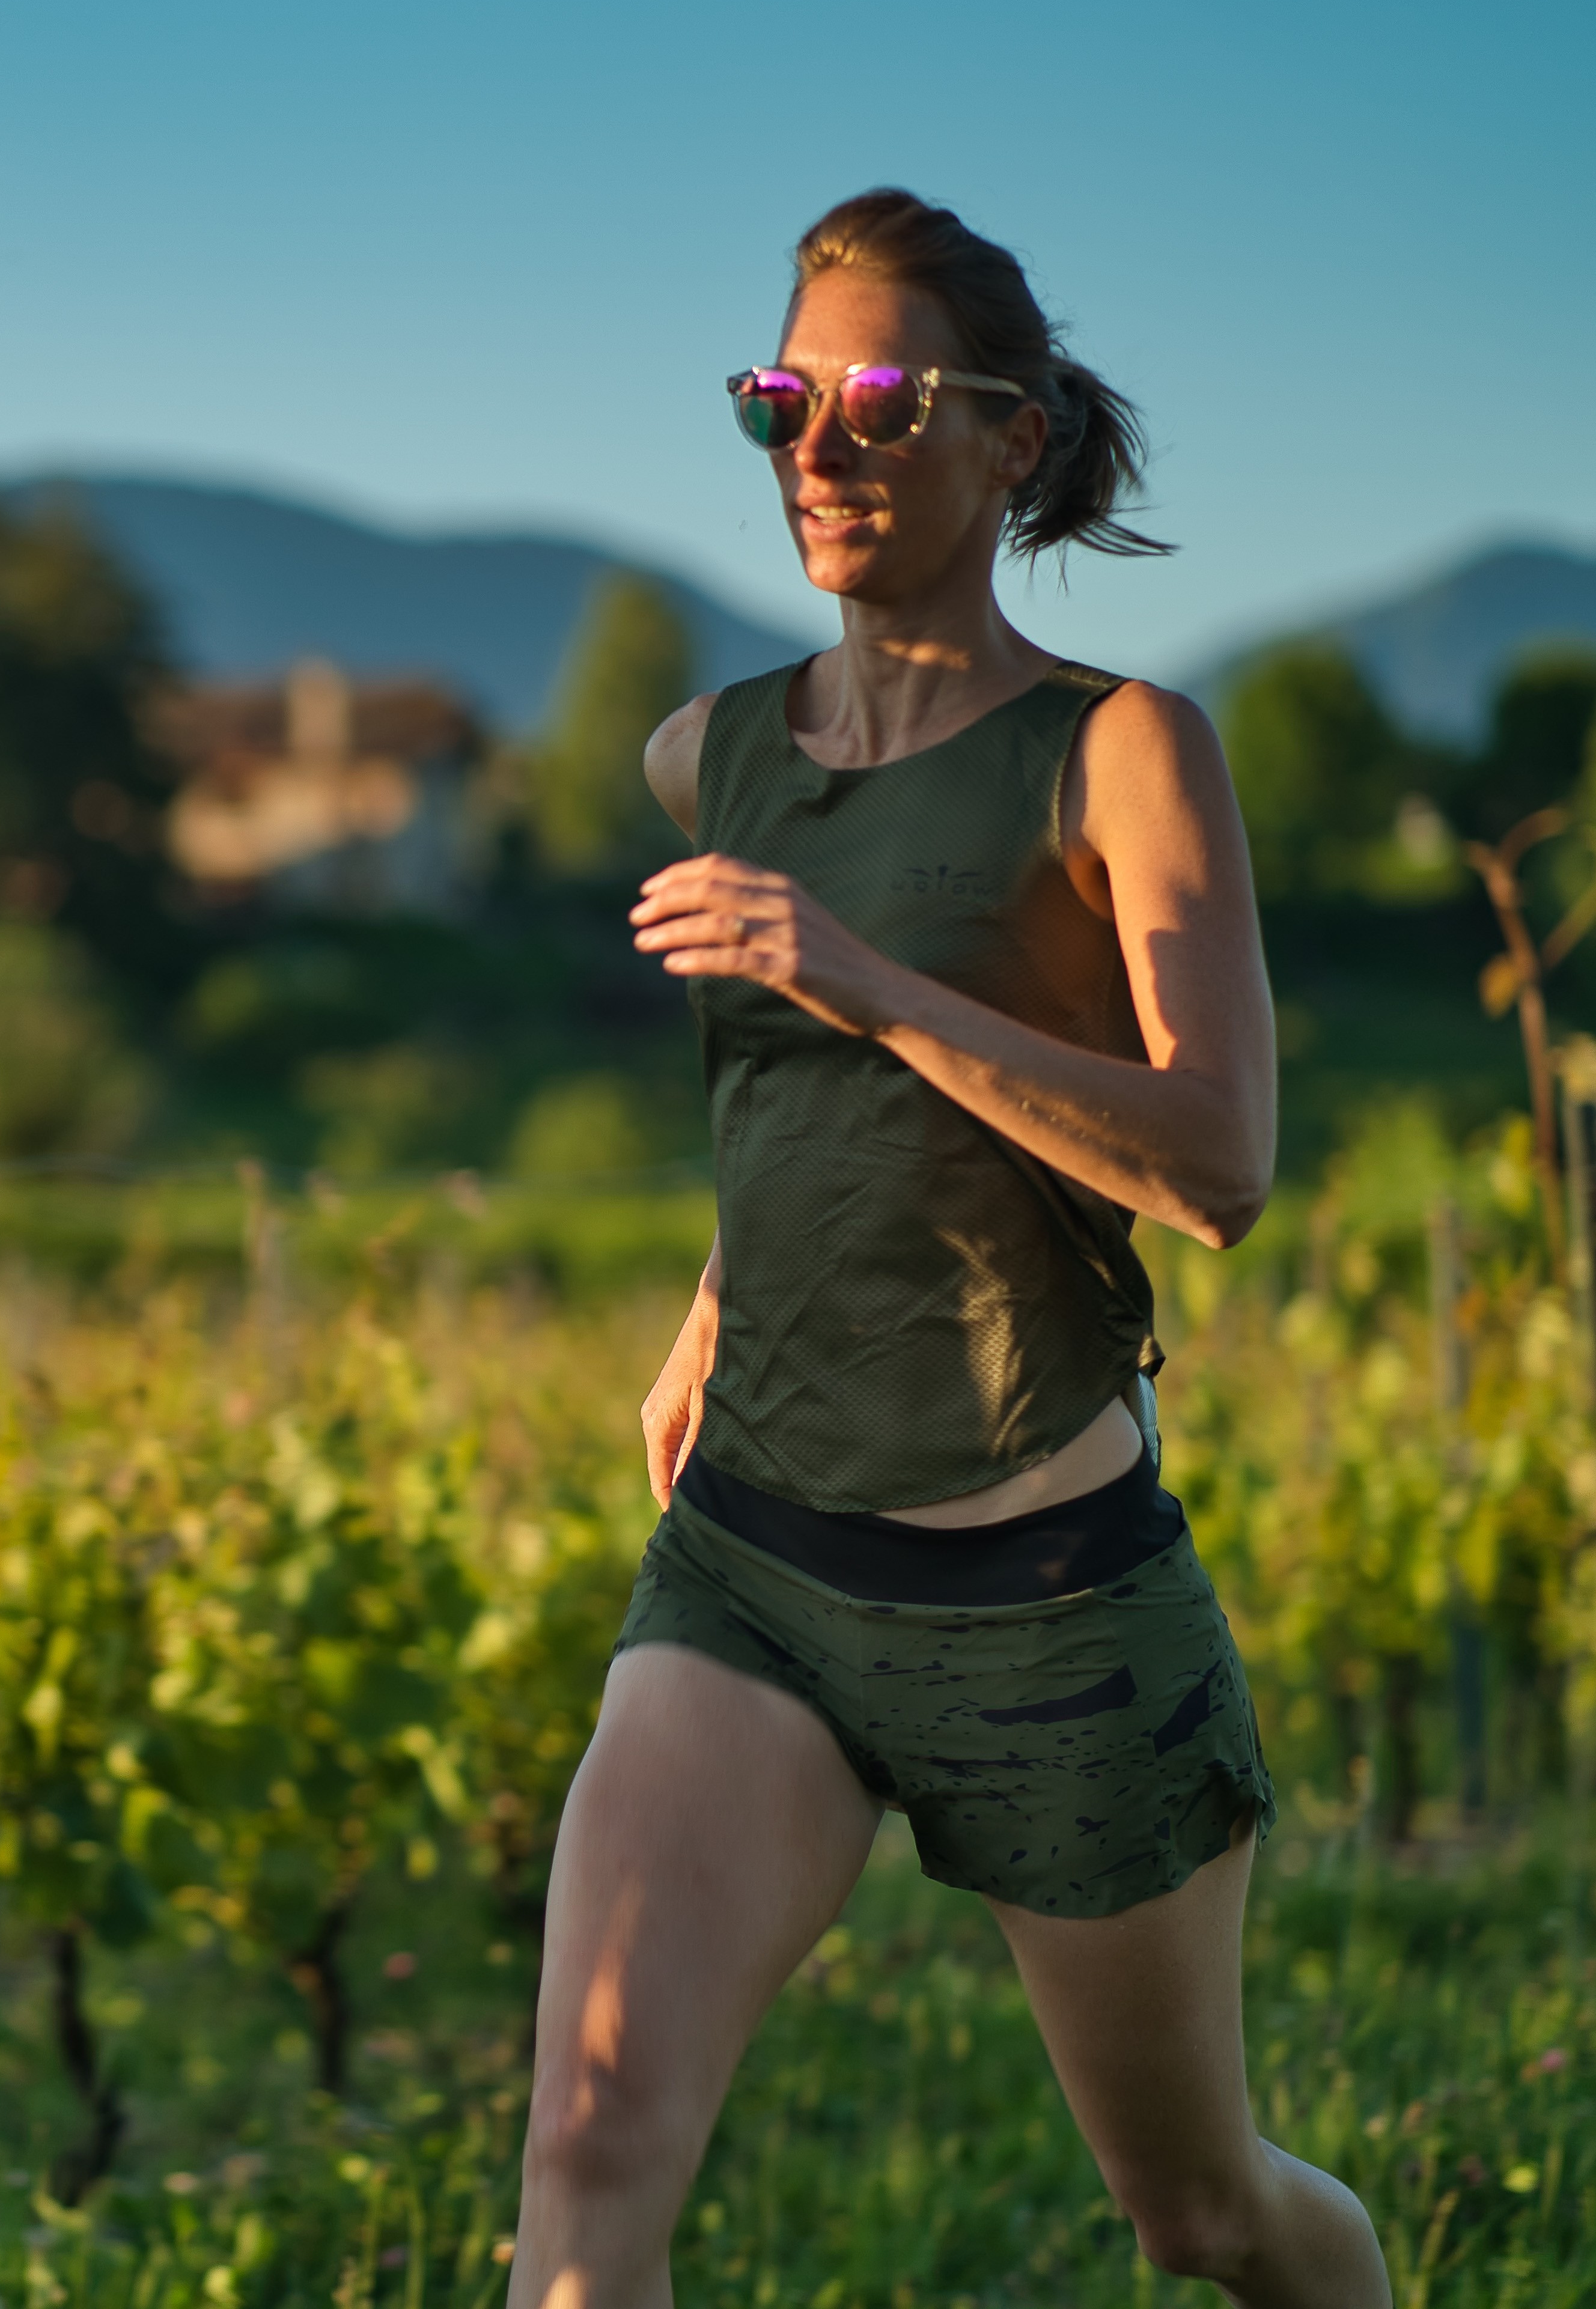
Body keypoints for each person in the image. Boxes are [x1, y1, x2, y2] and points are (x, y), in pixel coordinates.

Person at [507, 189, 1389, 2308]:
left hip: (1042, 1595)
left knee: (1203, 2216)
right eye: (781, 400)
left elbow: (1220, 1163)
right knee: (593, 2137)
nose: (821, 442)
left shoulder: (1122, 751)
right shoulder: (710, 755)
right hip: (755, 1559)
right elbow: (801, 1108)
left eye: (886, 400)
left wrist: (863, 974)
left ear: (1017, 438)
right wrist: (721, 1297)